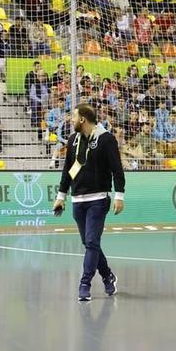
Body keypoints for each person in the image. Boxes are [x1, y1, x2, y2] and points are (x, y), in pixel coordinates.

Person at [51, 103, 125, 302]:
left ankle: (85, 284)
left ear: (83, 119)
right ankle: (107, 275)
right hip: (78, 201)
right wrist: (61, 196)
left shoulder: (106, 139)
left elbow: (117, 170)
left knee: (92, 242)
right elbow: (69, 169)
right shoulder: (73, 140)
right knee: (89, 243)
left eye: (74, 117)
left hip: (98, 200)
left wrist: (119, 196)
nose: (71, 120)